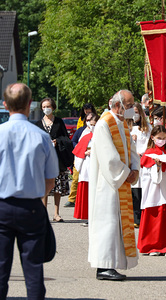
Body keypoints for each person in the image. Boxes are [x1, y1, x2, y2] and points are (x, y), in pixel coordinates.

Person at [0, 83, 59, 299]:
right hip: (31, 206)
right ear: (29, 104)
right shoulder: (41, 137)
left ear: (5, 105)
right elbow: (50, 179)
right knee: (33, 269)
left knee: (0, 269)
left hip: (2, 206)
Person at [88, 89, 140, 281]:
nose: (131, 110)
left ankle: (112, 264)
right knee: (107, 224)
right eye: (128, 106)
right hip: (107, 184)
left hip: (120, 181)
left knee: (116, 225)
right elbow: (109, 158)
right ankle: (103, 266)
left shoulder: (122, 124)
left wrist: (135, 170)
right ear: (117, 105)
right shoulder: (104, 124)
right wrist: (126, 174)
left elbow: (132, 151)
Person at [138, 125, 166, 256]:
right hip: (153, 190)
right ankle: (152, 246)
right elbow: (145, 174)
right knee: (153, 217)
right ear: (152, 137)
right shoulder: (148, 153)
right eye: (159, 138)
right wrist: (156, 166)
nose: (162, 140)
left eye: (164, 138)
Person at [36, 98, 72, 222]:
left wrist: (58, 141)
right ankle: (43, 212)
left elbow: (67, 139)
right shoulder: (38, 124)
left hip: (58, 159)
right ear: (41, 108)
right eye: (44, 106)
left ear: (53, 107)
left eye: (48, 106)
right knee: (44, 186)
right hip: (43, 160)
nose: (46, 108)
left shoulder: (59, 122)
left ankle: (56, 213)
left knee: (58, 187)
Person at [65, 104, 97, 208]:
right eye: (87, 119)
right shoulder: (81, 130)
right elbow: (74, 141)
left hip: (95, 160)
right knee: (76, 179)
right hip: (82, 158)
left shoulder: (99, 131)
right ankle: (72, 199)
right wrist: (81, 149)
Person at [73, 113, 99, 221]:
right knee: (86, 190)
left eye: (94, 124)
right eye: (91, 124)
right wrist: (85, 152)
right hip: (87, 163)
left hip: (98, 165)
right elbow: (79, 149)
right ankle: (87, 216)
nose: (92, 126)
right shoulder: (86, 135)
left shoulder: (104, 135)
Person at [130, 102, 152, 227]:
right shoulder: (128, 126)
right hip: (133, 161)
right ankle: (135, 217)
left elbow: (149, 144)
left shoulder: (147, 128)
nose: (134, 116)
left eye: (136, 113)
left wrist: (142, 152)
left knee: (143, 189)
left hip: (143, 160)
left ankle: (143, 217)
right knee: (134, 190)